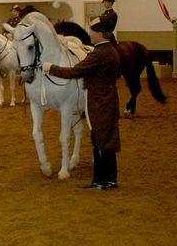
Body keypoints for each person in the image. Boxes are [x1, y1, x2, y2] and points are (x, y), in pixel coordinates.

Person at [42, 17, 121, 190]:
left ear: (100, 33)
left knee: (100, 141)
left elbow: (74, 71)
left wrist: (50, 68)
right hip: (107, 97)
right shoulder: (110, 50)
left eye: (92, 31)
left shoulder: (99, 53)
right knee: (107, 140)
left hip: (99, 100)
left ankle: (102, 180)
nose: (89, 34)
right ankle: (110, 179)